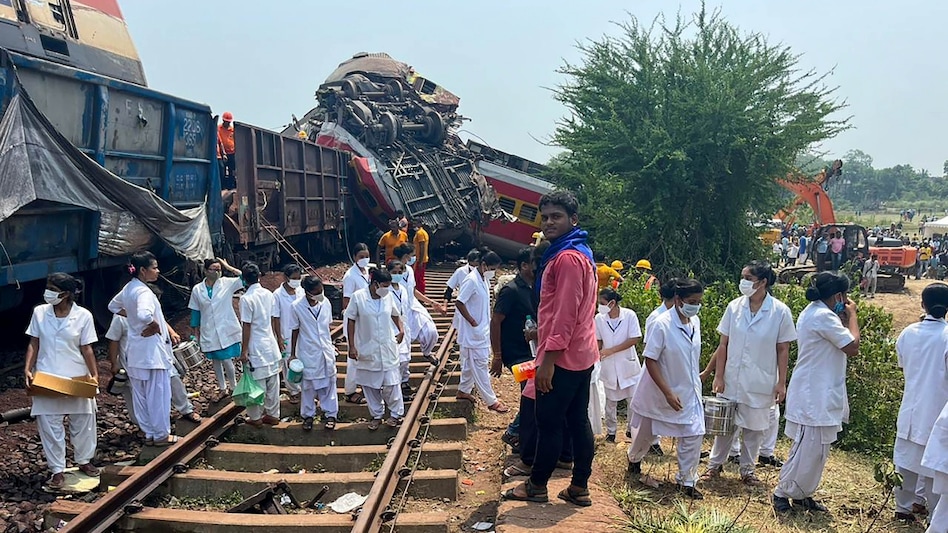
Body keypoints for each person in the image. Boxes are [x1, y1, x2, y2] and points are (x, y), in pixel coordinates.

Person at [504, 191, 598, 507]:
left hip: (564, 357)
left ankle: (536, 485)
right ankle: (578, 487)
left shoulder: (568, 258)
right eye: (545, 217)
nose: (548, 223)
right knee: (577, 420)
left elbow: (565, 314)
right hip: (581, 354)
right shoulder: (580, 252)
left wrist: (548, 362)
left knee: (549, 421)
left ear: (573, 219)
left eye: (556, 216)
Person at [702, 261, 796, 486]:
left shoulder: (780, 311)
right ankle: (714, 466)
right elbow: (723, 344)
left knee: (754, 429)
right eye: (742, 277)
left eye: (748, 278)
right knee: (725, 426)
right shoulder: (734, 307)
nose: (743, 282)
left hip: (761, 380)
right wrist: (718, 375)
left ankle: (747, 470)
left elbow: (783, 349)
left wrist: (781, 383)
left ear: (763, 282)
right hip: (732, 379)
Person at [773, 272, 859, 513]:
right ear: (838, 295)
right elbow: (852, 346)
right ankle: (782, 492)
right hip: (813, 394)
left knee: (818, 450)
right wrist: (852, 316)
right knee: (805, 449)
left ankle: (802, 494)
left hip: (821, 391)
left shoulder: (821, 313)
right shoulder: (821, 315)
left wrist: (842, 317)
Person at [626, 279, 707, 499]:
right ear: (678, 300)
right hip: (660, 391)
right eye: (692, 301)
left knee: (694, 433)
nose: (695, 306)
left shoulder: (695, 322)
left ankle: (686, 481)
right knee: (644, 434)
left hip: (688, 391)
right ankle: (633, 460)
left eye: (699, 302)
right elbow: (650, 360)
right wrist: (667, 392)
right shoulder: (662, 324)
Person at [24, 273, 100, 490]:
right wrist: (27, 369)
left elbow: (87, 348)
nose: (47, 292)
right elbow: (34, 343)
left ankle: (84, 460)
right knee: (49, 423)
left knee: (83, 420)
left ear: (65, 294)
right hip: (47, 376)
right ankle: (57, 469)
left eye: (51, 288)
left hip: (76, 375)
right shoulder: (40, 313)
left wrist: (94, 376)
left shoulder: (83, 316)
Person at [109, 252, 179, 447]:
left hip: (135, 352)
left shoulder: (129, 288)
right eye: (154, 267)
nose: (157, 271)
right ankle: (161, 435)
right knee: (158, 394)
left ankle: (149, 433)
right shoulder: (144, 292)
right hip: (152, 353)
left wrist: (131, 317)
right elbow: (144, 313)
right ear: (142, 270)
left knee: (141, 396)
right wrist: (154, 325)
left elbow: (112, 306)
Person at [892, 283, 948, 523]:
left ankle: (903, 508)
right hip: (938, 411)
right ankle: (935, 516)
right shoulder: (946, 337)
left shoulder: (908, 333)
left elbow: (904, 365)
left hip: (912, 407)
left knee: (906, 463)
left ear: (922, 304)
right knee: (936, 467)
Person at [490, 247, 539, 450]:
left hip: (531, 351)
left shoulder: (534, 287)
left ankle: (523, 434)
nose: (538, 267)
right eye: (534, 263)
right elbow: (496, 321)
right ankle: (515, 431)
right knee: (532, 391)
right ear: (524, 266)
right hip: (515, 353)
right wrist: (498, 356)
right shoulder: (511, 290)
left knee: (533, 392)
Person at [345, 268, 405, 430]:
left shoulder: (388, 297)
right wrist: (352, 346)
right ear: (374, 283)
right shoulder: (358, 298)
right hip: (367, 347)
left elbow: (395, 314)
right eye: (384, 286)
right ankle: (376, 415)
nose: (386, 289)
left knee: (391, 384)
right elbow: (350, 320)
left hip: (387, 347)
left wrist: (401, 330)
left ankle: (395, 414)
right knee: (370, 385)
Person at [454, 250, 509, 413]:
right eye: (492, 268)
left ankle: (463, 390)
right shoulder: (471, 280)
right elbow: (459, 302)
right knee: (480, 366)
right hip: (473, 332)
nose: (494, 272)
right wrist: (471, 321)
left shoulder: (483, 279)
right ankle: (491, 400)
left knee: (471, 365)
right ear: (484, 264)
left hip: (480, 331)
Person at [188, 257, 243, 402]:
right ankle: (222, 387)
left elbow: (245, 277)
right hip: (209, 329)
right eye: (214, 269)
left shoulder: (227, 283)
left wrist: (228, 266)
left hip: (226, 328)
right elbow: (195, 312)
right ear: (206, 271)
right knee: (215, 361)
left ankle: (234, 386)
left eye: (219, 269)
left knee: (226, 359)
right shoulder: (197, 289)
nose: (217, 272)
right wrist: (195, 332)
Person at [288, 276, 338, 431]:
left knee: (329, 384)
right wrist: (292, 354)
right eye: (316, 292)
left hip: (325, 350)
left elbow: (327, 327)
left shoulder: (326, 303)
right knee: (308, 386)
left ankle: (331, 414)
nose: (320, 294)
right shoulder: (296, 306)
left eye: (320, 290)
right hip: (308, 351)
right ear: (308, 292)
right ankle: (308, 415)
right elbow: (295, 330)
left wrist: (331, 345)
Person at [595, 288, 643, 443]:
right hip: (609, 366)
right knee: (610, 402)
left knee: (633, 401)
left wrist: (612, 350)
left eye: (602, 303)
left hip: (627, 365)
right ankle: (611, 432)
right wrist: (597, 351)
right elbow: (599, 340)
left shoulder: (629, 315)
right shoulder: (599, 319)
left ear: (612, 303)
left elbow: (634, 338)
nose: (599, 307)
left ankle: (631, 430)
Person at [238, 262, 283, 427]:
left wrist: (244, 350)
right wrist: (278, 338)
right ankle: (273, 414)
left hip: (256, 345)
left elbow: (247, 326)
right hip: (270, 343)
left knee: (256, 384)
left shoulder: (246, 299)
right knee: (273, 381)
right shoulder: (268, 294)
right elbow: (272, 319)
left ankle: (256, 417)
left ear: (244, 280)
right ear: (259, 276)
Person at [393, 244, 444, 366]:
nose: (414, 258)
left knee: (431, 332)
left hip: (413, 306)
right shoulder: (392, 272)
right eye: (412, 256)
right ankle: (403, 380)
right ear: (406, 256)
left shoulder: (410, 270)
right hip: (398, 311)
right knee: (402, 350)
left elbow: (413, 290)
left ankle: (427, 352)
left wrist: (431, 302)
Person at [341, 243, 372, 405]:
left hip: (365, 322)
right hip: (354, 322)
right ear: (354, 257)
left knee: (363, 354)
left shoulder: (366, 272)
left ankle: (363, 385)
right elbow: (346, 303)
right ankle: (350, 391)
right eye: (361, 257)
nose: (364, 260)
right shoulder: (350, 276)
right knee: (353, 357)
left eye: (366, 256)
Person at [271, 264, 304, 403]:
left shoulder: (301, 291)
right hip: (286, 333)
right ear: (285, 278)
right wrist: (279, 337)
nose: (296, 281)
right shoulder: (277, 295)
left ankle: (304, 388)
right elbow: (276, 317)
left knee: (302, 359)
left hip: (302, 332)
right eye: (293, 278)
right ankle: (293, 390)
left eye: (298, 278)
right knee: (288, 362)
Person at [387, 259, 414, 395]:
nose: (397, 275)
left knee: (406, 357)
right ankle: (395, 384)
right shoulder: (386, 291)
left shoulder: (403, 289)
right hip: (392, 327)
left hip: (405, 325)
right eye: (394, 272)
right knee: (398, 358)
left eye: (399, 272)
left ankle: (404, 381)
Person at [218, 111, 236, 190]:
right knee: (222, 169)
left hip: (232, 153)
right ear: (223, 121)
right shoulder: (219, 128)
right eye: (226, 122)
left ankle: (231, 186)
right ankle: (223, 186)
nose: (227, 123)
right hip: (222, 153)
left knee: (232, 169)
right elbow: (220, 141)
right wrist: (223, 153)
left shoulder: (233, 130)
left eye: (229, 122)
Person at [412, 220, 430, 293]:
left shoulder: (420, 233)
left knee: (418, 278)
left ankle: (420, 293)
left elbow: (422, 247)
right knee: (419, 277)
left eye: (415, 223)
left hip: (420, 259)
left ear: (420, 223)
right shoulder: (422, 232)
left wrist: (420, 261)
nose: (414, 225)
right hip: (421, 259)